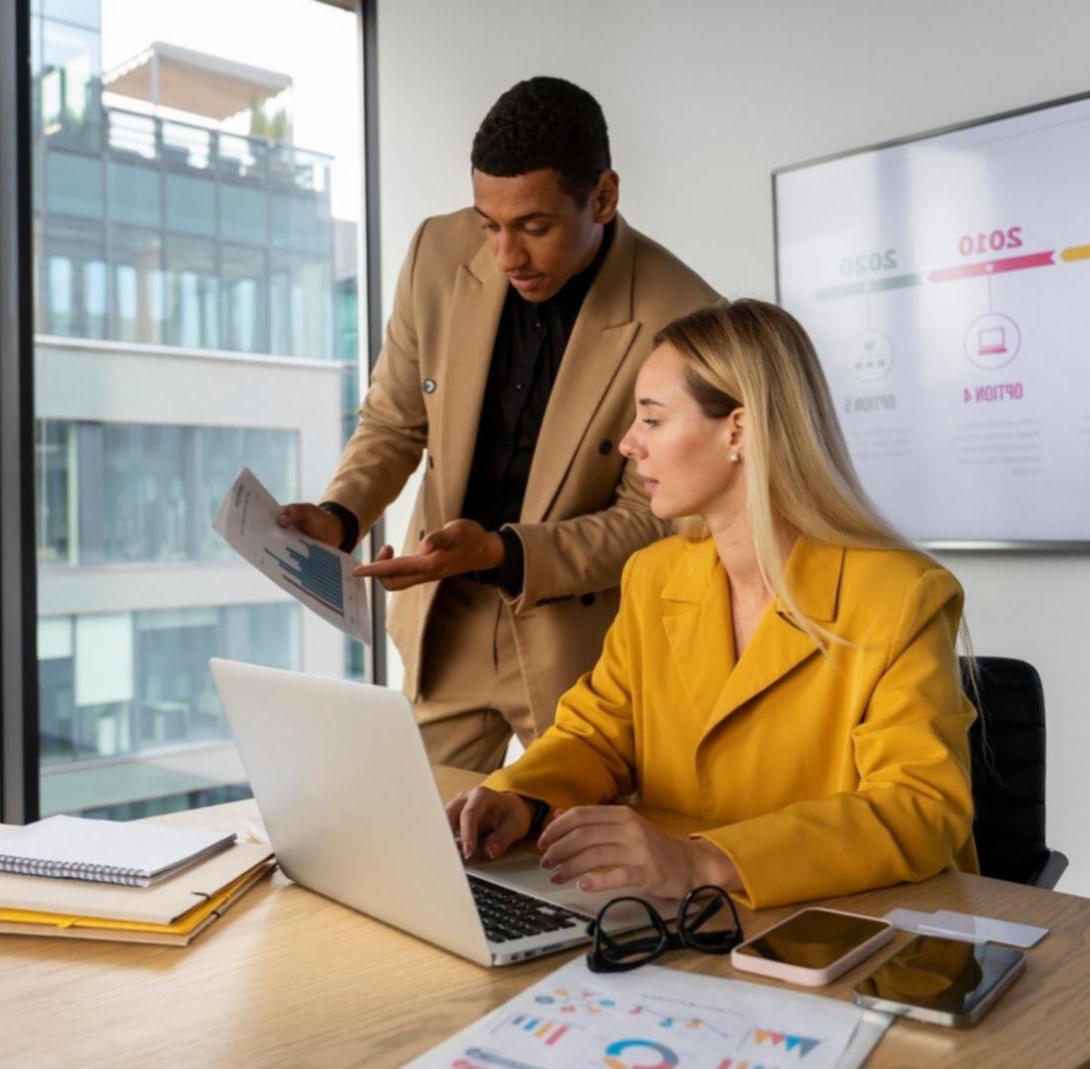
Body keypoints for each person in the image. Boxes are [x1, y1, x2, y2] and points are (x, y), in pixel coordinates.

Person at [445, 299, 979, 909]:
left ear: (739, 431)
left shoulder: (899, 594)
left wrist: (705, 858)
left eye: (652, 420)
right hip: (684, 918)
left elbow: (920, 807)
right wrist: (521, 795)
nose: (627, 444)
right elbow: (599, 735)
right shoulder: (655, 575)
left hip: (840, 924)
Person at [278, 77, 717, 772]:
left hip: (584, 643)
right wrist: (339, 513)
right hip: (441, 619)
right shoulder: (436, 249)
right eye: (489, 223)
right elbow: (394, 419)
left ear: (602, 196)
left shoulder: (684, 313)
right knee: (417, 850)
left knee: (586, 867)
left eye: (533, 227)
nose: (505, 254)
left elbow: (654, 515)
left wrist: (503, 553)